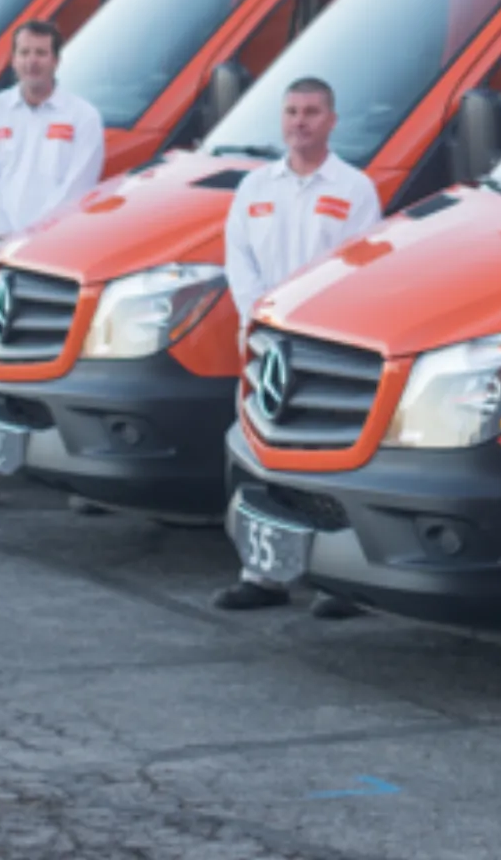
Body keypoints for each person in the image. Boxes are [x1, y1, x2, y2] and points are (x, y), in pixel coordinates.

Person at [208, 77, 380, 616]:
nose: (299, 121)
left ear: (331, 121)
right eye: (290, 112)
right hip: (264, 345)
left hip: (325, 348)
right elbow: (240, 261)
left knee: (322, 462)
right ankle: (263, 575)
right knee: (261, 457)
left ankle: (337, 581)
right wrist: (259, 318)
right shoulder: (255, 188)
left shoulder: (355, 190)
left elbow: (359, 268)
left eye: (310, 112)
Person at [0, 19, 105, 510]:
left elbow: (79, 186)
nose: (33, 61)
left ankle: (81, 478)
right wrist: (7, 241)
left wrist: (35, 244)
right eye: (25, 53)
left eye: (42, 53)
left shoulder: (82, 117)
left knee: (57, 366)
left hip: (56, 263)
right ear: (13, 59)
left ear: (57, 59)